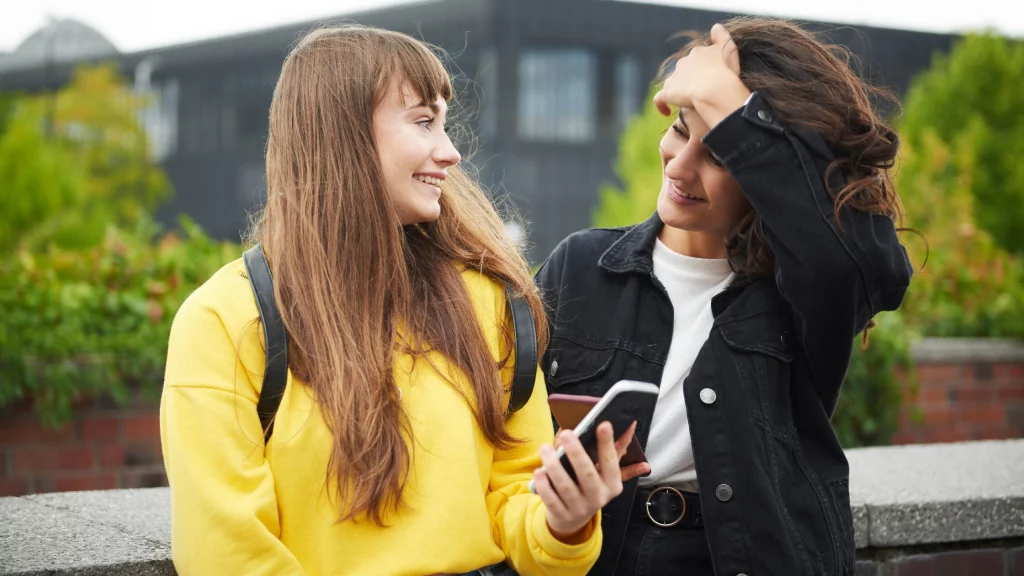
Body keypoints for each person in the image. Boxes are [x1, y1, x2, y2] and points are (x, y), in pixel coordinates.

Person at [160, 25, 634, 576]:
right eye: (423, 122)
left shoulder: (492, 301)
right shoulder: (223, 321)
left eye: (445, 124)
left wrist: (565, 522)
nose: (450, 152)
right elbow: (227, 557)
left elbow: (518, 504)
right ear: (344, 136)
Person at [534, 18, 912, 576]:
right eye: (682, 131)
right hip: (595, 553)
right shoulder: (581, 266)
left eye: (720, 154)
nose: (680, 168)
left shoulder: (800, 293)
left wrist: (727, 101)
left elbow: (875, 266)